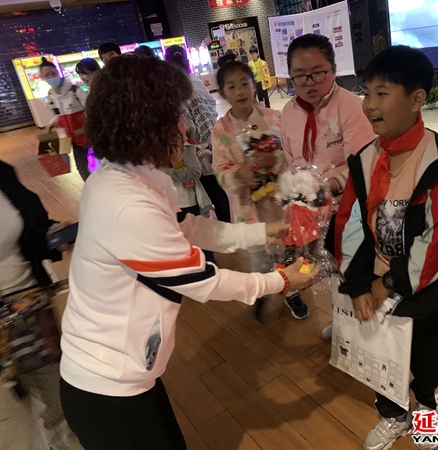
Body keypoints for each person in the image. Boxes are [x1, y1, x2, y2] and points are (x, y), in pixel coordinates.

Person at [58, 56, 317, 450]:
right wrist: (280, 280)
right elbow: (201, 280)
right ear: (145, 122)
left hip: (125, 371)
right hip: (108, 382)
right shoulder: (126, 203)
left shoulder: (133, 175)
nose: (184, 126)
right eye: (175, 116)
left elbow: (189, 226)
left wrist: (261, 230)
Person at [335, 45, 438, 450]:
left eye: (382, 93)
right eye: (366, 92)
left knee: (428, 357)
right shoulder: (364, 159)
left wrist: (388, 283)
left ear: (416, 99)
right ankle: (393, 414)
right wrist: (358, 284)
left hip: (426, 287)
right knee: (381, 356)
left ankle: (428, 408)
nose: (369, 105)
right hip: (375, 279)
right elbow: (349, 223)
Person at [281, 33, 375, 335]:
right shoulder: (289, 112)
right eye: (300, 75)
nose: (309, 82)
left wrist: (332, 184)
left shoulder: (351, 107)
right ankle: (343, 322)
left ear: (333, 69)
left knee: (348, 265)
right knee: (320, 263)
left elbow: (363, 161)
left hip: (347, 207)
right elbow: (291, 159)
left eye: (318, 73)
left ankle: (356, 325)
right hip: (307, 210)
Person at [0, 160, 82, 450]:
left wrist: (53, 235)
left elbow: (29, 229)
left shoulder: (2, 172)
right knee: (13, 430)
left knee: (62, 407)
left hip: (31, 311)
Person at [211, 54, 297, 320]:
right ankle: (261, 293)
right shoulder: (221, 130)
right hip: (250, 207)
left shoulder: (275, 118)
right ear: (222, 93)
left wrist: (276, 159)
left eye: (244, 83)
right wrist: (238, 176)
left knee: (289, 251)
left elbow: (294, 156)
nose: (240, 91)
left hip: (281, 202)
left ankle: (293, 293)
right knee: (260, 258)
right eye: (232, 86)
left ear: (254, 84)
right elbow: (220, 170)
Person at [165, 44, 231, 223]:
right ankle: (226, 226)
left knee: (201, 192)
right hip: (212, 140)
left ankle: (208, 229)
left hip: (193, 147)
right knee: (217, 190)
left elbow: (183, 121)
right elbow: (212, 108)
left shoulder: (174, 88)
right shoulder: (198, 82)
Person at [40, 57, 91, 181]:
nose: (51, 77)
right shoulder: (51, 95)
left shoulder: (74, 90)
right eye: (46, 75)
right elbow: (58, 115)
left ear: (58, 72)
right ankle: (93, 189)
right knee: (82, 169)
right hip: (74, 140)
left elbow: (91, 109)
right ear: (42, 78)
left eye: (53, 73)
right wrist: (51, 123)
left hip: (89, 136)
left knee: (105, 163)